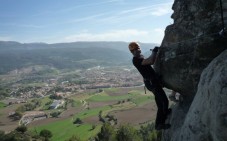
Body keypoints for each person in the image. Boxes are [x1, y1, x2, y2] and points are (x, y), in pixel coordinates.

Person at [128, 42, 171, 130]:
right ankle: (159, 124)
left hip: (152, 82)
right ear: (132, 52)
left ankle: (165, 113)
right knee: (163, 102)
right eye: (134, 50)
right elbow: (151, 61)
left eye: (137, 48)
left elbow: (148, 66)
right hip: (152, 83)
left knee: (160, 102)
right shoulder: (136, 60)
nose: (137, 50)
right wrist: (154, 52)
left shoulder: (140, 57)